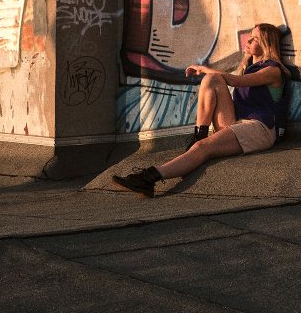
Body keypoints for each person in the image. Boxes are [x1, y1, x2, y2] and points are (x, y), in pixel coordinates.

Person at [112, 22, 287, 197]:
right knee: (212, 79)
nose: (248, 40)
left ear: (266, 44)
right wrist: (207, 73)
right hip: (239, 125)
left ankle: (148, 178)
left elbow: (237, 81)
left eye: (254, 39)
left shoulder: (272, 70)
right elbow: (224, 78)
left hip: (260, 129)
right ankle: (200, 133)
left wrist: (204, 68)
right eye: (249, 36)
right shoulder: (248, 68)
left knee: (203, 147)